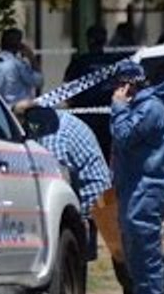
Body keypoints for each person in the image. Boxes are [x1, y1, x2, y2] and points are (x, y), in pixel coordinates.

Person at [109, 59, 164, 294]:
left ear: (128, 85)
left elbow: (124, 135)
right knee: (136, 258)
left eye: (118, 86)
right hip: (134, 188)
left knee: (146, 257)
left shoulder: (150, 108)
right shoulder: (140, 108)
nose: (115, 92)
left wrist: (117, 109)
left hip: (146, 189)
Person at [12, 99, 111, 260]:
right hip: (90, 193)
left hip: (90, 201)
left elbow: (54, 177)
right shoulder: (54, 120)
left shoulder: (52, 136)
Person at [63, 23, 119, 162]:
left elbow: (68, 89)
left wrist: (72, 108)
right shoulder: (112, 62)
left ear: (88, 40)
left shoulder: (79, 62)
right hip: (108, 115)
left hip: (85, 117)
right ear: (104, 40)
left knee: (85, 152)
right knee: (107, 153)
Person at [0, 27, 43, 105]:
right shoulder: (18, 65)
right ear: (19, 45)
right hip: (17, 111)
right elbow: (38, 81)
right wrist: (31, 57)